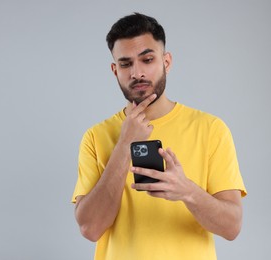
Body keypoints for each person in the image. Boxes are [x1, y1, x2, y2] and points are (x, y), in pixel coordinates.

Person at [71, 12, 246, 260]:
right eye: (125, 63)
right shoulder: (95, 137)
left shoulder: (211, 129)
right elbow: (90, 228)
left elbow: (232, 227)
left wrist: (187, 191)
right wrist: (124, 145)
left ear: (167, 61)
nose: (137, 73)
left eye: (147, 59)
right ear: (114, 70)